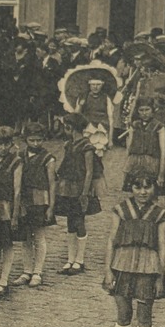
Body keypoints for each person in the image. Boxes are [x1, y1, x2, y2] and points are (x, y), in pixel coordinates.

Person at [103, 170, 165, 327]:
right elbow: (112, 240)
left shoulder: (158, 214)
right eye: (137, 187)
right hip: (122, 265)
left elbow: (161, 245)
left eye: (147, 186)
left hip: (148, 267)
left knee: (144, 315)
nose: (142, 192)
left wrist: (160, 275)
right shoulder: (121, 210)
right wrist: (108, 269)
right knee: (123, 312)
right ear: (130, 188)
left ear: (154, 188)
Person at [53, 112, 102, 275]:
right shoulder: (68, 145)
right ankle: (70, 259)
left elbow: (89, 171)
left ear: (70, 127)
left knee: (79, 221)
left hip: (80, 188)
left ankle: (79, 260)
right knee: (70, 222)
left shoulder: (87, 146)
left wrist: (85, 193)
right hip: (67, 188)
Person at [16, 122, 56, 287]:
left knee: (39, 236)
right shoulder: (20, 155)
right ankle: (27, 270)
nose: (35, 143)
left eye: (38, 140)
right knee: (25, 237)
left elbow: (52, 183)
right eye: (32, 140)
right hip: (24, 199)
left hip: (40, 200)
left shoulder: (48, 158)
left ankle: (37, 272)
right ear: (26, 139)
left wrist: (51, 206)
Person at [0, 126, 22, 296]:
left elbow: (17, 189)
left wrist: (15, 215)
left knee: (6, 243)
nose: (2, 148)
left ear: (11, 144)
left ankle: (4, 280)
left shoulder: (16, 161)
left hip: (7, 207)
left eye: (6, 144)